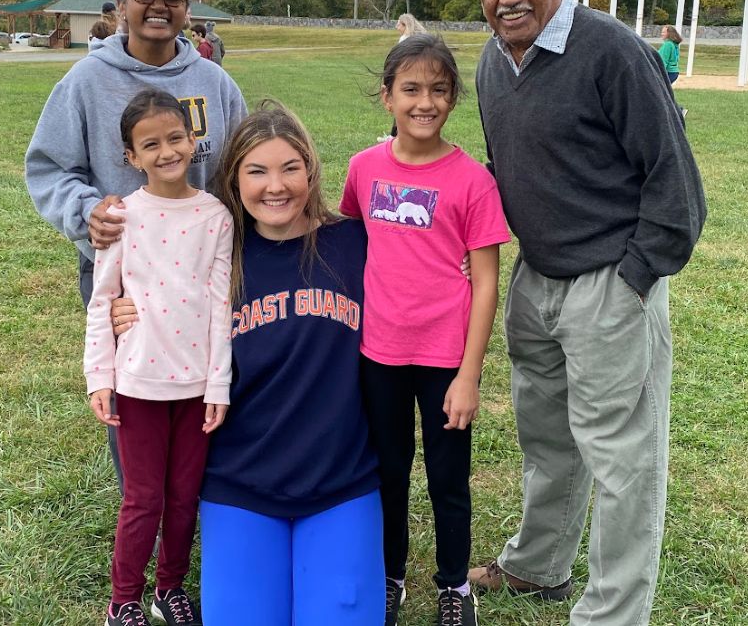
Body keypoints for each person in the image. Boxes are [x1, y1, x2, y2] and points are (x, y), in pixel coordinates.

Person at [461, 0, 706, 626]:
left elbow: (675, 185)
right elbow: (512, 166)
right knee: (547, 441)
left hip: (609, 285)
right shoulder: (490, 63)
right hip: (535, 283)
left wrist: (634, 279)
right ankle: (540, 565)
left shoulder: (613, 52)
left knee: (624, 464)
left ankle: (613, 614)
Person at [112, 101, 385, 626]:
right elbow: (151, 283)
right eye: (256, 171)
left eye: (290, 168)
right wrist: (124, 311)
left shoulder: (354, 242)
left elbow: (424, 266)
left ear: (311, 169)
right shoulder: (213, 252)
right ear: (233, 180)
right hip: (239, 482)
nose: (275, 186)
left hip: (341, 482)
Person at [25, 0, 247, 490]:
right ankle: (143, 499)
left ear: (187, 8)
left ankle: (205, 498)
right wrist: (85, 211)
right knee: (136, 392)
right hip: (128, 280)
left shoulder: (214, 83)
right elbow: (49, 168)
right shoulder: (85, 82)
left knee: (209, 383)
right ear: (122, 2)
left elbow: (243, 167)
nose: (158, 4)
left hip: (205, 274)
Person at [340, 35, 511, 626]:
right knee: (386, 472)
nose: (425, 102)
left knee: (447, 481)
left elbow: (486, 282)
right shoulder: (363, 170)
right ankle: (388, 576)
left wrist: (469, 375)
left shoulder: (471, 181)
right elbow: (350, 242)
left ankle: (453, 586)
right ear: (387, 96)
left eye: (439, 90)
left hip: (444, 359)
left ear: (453, 98)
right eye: (410, 89)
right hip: (378, 354)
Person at [86, 89, 232, 626]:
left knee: (184, 496)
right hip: (139, 384)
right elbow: (103, 301)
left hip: (196, 388)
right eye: (151, 144)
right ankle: (123, 600)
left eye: (176, 138)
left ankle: (168, 588)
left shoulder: (216, 215)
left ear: (194, 140)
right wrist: (100, 376)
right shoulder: (121, 216)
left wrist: (218, 385)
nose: (167, 151)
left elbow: (221, 304)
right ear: (131, 156)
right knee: (143, 499)